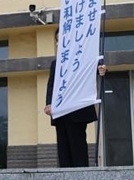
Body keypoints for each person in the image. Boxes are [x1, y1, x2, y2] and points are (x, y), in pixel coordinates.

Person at [43, 29, 106, 167]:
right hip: (60, 111)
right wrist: (48, 103)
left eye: (64, 40)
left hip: (77, 110)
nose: (61, 43)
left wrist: (101, 69)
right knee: (63, 149)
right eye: (58, 41)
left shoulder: (82, 58)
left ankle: (82, 178)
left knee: (78, 147)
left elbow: (96, 67)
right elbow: (51, 85)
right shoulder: (56, 64)